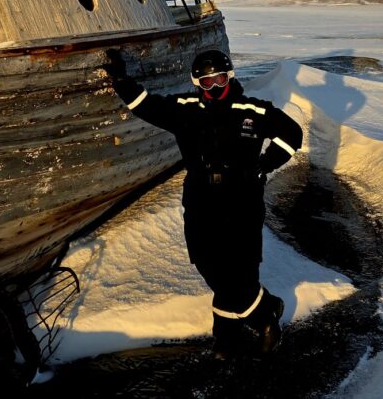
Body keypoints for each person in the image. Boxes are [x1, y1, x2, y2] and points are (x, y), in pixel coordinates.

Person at [103, 48, 303, 357]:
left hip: (243, 201)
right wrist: (120, 79)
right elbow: (144, 105)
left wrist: (266, 163)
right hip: (200, 201)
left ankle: (239, 331)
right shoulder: (184, 108)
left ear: (230, 77)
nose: (214, 87)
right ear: (197, 82)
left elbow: (292, 133)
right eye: (206, 81)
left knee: (240, 271)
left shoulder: (254, 111)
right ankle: (265, 306)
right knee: (210, 266)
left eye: (220, 79)